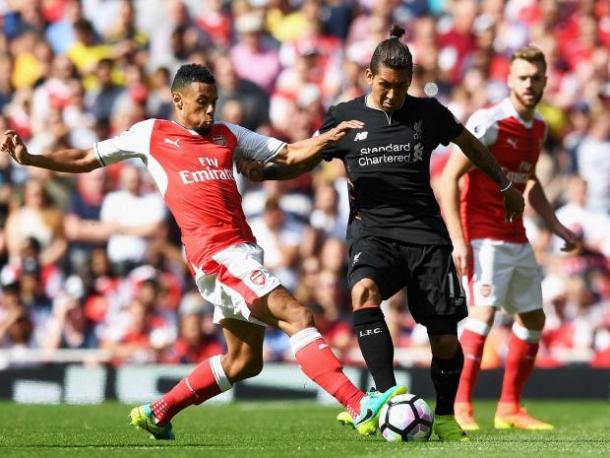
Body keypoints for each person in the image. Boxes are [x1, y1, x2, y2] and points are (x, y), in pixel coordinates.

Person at [0, 64, 405, 440]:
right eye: (201, 103)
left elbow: (287, 154)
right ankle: (358, 406)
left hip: (244, 251)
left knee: (244, 362)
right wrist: (30, 157)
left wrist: (326, 139)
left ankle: (159, 412)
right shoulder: (151, 134)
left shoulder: (228, 135)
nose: (210, 110)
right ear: (178, 101)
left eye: (213, 101)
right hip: (217, 254)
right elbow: (87, 157)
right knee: (297, 315)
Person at [239, 25, 524, 441]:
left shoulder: (428, 113)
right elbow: (305, 159)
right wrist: (265, 173)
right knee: (363, 292)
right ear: (369, 76)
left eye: (402, 86)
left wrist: (504, 185)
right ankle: (386, 396)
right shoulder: (343, 116)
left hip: (427, 237)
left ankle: (445, 413)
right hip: (372, 234)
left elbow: (470, 143)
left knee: (444, 338)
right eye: (387, 85)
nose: (393, 95)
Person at [439, 46, 578, 431]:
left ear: (546, 81)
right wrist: (458, 239)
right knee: (483, 314)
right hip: (483, 235)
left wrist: (556, 225)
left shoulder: (539, 128)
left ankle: (509, 408)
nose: (529, 84)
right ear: (509, 79)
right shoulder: (490, 122)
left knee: (533, 317)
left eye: (536, 78)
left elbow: (527, 181)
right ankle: (460, 406)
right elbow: (448, 177)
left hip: (516, 235)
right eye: (522, 77)